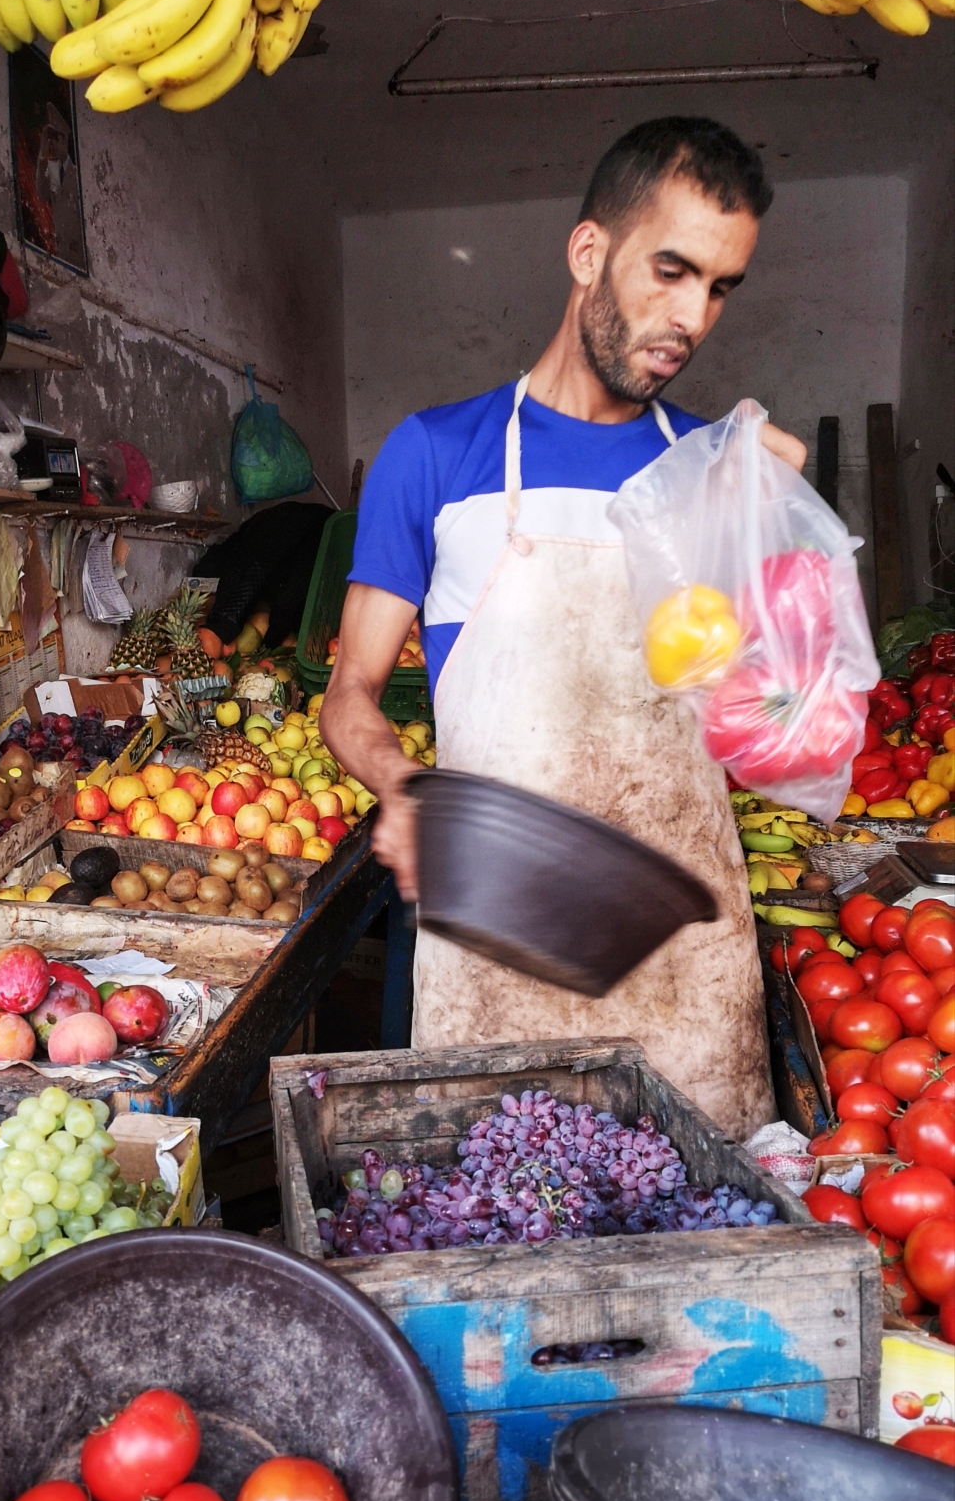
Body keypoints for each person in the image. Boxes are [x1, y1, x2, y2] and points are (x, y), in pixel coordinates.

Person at [320, 117, 808, 1139]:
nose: (691, 317)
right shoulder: (434, 456)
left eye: (719, 287)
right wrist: (400, 784)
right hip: (503, 948)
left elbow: (769, 714)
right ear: (590, 253)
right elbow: (350, 696)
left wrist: (784, 541)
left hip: (683, 958)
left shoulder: (716, 475)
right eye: (670, 271)